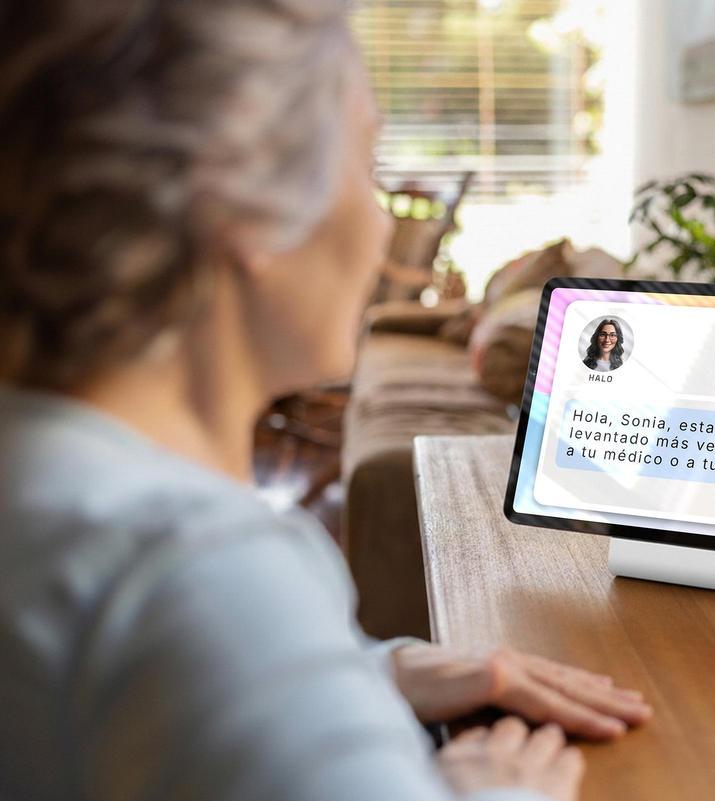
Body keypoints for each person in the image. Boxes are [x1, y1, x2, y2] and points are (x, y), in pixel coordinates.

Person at [0, 2, 651, 801]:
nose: (381, 228)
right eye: (367, 164)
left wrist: (354, 673)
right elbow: (195, 624)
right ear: (243, 202)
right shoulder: (199, 571)